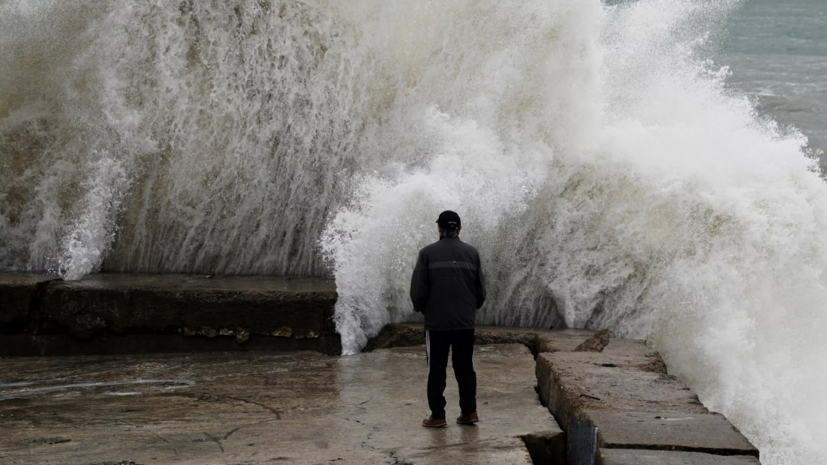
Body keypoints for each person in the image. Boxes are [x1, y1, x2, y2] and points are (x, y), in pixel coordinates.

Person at [410, 210, 486, 428]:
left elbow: (418, 291)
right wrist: (469, 310)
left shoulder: (427, 253)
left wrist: (423, 309)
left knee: (436, 369)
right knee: (465, 368)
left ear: (439, 228)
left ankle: (438, 415)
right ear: (459, 229)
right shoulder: (472, 253)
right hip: (464, 322)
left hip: (436, 323)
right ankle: (469, 412)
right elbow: (480, 291)